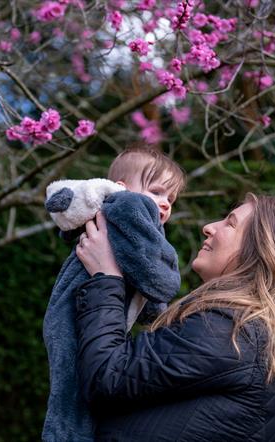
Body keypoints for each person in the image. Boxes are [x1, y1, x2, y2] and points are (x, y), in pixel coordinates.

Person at [74, 193, 275, 442]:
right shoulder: (255, 336)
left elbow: (105, 376)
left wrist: (106, 277)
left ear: (262, 253)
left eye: (231, 223)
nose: (208, 227)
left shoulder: (230, 332)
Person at [42, 147, 187, 441]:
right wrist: (167, 284)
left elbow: (137, 271)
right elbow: (158, 277)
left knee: (78, 389)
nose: (165, 204)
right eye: (157, 192)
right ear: (122, 187)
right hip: (78, 313)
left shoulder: (130, 219)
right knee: (73, 396)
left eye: (171, 199)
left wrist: (153, 308)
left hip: (85, 312)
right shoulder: (128, 206)